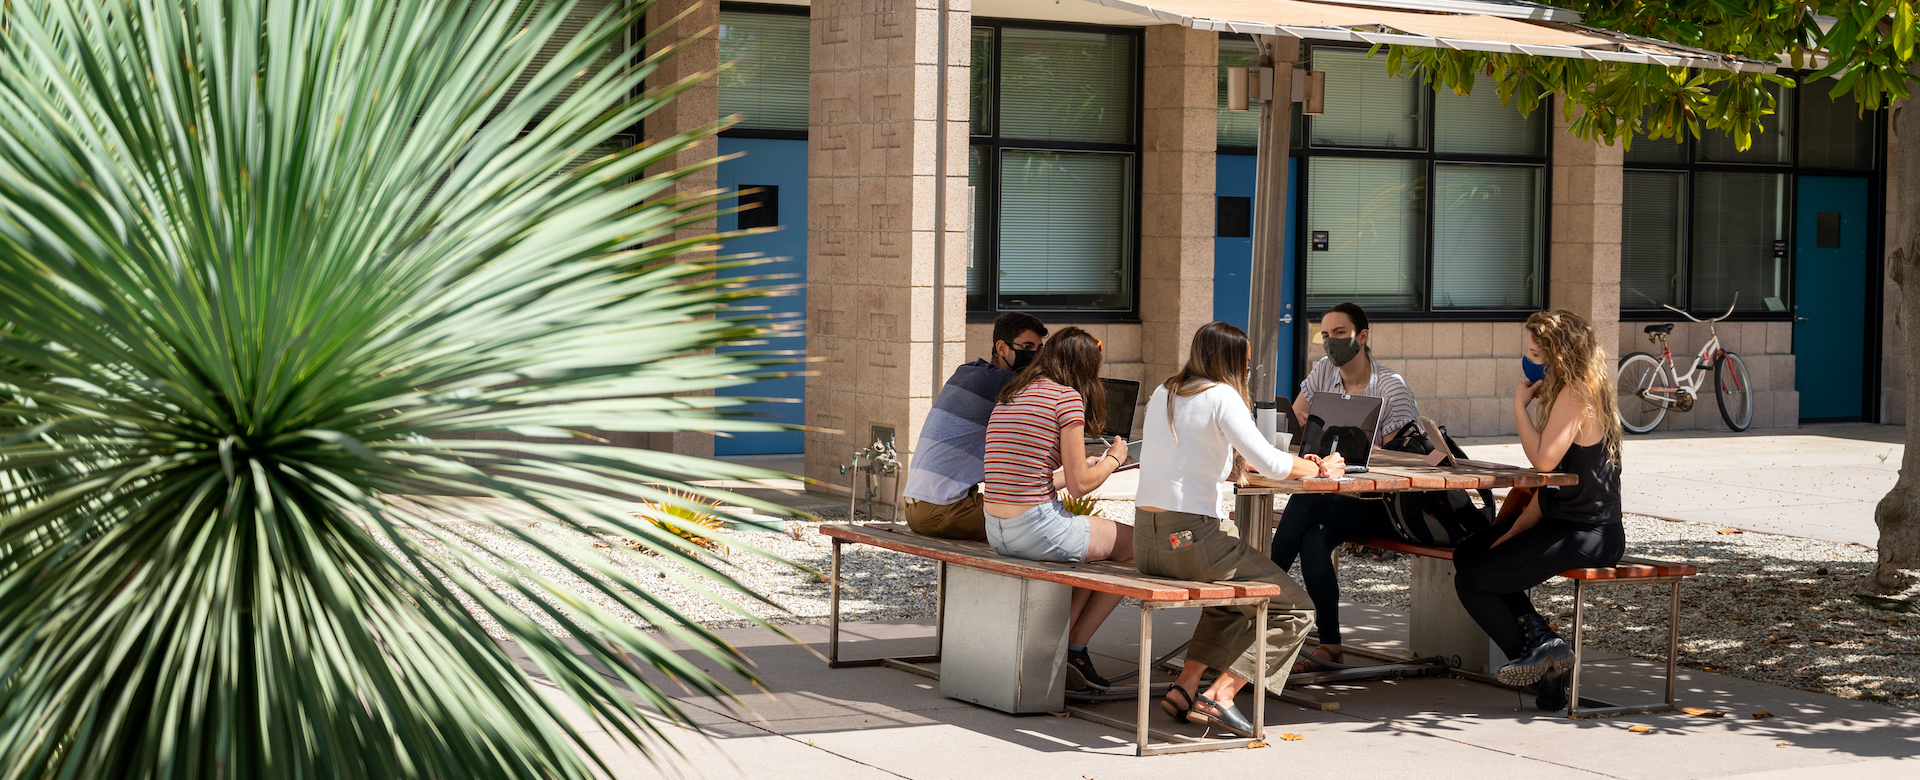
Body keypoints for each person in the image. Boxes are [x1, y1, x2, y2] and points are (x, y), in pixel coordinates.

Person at [1134, 322, 1341, 738]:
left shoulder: (1164, 391)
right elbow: (1272, 464)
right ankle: (1223, 694)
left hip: (1148, 539)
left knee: (1230, 597)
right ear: (1230, 363)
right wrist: (1321, 467)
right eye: (1245, 365)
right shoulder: (1221, 395)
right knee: (1296, 608)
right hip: (1190, 538)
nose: (1247, 374)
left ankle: (1185, 688)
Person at [1452, 309, 1624, 712]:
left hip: (1590, 534)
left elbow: (1545, 464)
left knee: (1473, 582)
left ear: (1558, 354)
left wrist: (1518, 408)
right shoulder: (1572, 389)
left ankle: (1545, 659)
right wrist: (1510, 535)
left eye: (1534, 352)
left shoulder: (1577, 391)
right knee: (1471, 553)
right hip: (1566, 523)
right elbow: (1548, 491)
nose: (1527, 360)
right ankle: (1544, 650)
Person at [1267, 302, 1420, 671]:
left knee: (1306, 505)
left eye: (1340, 334)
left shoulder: (1390, 386)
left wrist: (1352, 446)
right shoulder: (1323, 371)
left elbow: (1406, 461)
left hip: (1382, 503)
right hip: (1338, 496)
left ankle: (1263, 595)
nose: (1331, 342)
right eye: (1326, 335)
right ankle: (1331, 645)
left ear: (1362, 336)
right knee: (1314, 537)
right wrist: (1304, 429)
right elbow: (1296, 425)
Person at [983, 326, 1134, 691]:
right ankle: (1076, 647)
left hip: (996, 528)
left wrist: (1084, 468)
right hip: (1037, 530)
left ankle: (1059, 643)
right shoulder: (1067, 399)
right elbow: (1082, 484)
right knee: (1135, 548)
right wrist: (1114, 460)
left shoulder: (1012, 393)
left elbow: (1037, 477)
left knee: (1092, 554)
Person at [900, 313, 1048, 541]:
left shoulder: (968, 371)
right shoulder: (1003, 383)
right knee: (1040, 525)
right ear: (1001, 347)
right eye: (1027, 347)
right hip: (944, 510)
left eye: (1039, 350)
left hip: (917, 507)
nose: (1034, 356)